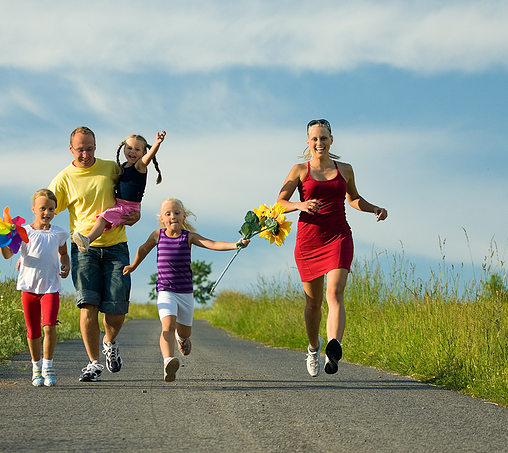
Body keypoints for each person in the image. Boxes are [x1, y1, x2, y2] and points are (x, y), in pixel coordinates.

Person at [275, 119, 388, 377]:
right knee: (313, 304)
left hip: (338, 236)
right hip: (309, 240)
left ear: (331, 140)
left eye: (323, 138)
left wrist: (375, 209)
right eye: (314, 139)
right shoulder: (299, 170)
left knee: (335, 294)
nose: (319, 143)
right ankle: (314, 348)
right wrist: (300, 206)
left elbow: (354, 199)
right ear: (308, 142)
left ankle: (333, 346)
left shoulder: (345, 169)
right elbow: (279, 203)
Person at [48, 126, 140, 382]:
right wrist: (51, 248)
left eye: (90, 149)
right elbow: (46, 212)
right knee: (88, 304)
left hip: (116, 245)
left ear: (95, 147)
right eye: (80, 150)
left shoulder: (111, 168)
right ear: (71, 149)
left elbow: (132, 196)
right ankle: (93, 363)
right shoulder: (63, 179)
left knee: (116, 308)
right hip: (84, 248)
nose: (86, 154)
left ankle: (109, 342)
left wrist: (136, 215)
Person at [123, 198, 249, 382]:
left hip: (185, 293)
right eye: (168, 214)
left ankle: (181, 339)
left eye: (176, 212)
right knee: (167, 325)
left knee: (184, 332)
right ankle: (168, 361)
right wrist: (133, 266)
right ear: (162, 219)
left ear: (183, 217)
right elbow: (143, 249)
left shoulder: (188, 237)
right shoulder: (158, 235)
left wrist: (235, 245)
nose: (172, 216)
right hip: (165, 290)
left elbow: (212, 244)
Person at [0, 189, 70, 387]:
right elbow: (7, 254)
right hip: (29, 288)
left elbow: (63, 254)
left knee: (49, 326)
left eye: (51, 209)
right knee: (33, 330)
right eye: (42, 208)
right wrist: (5, 236)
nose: (46, 212)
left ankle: (48, 366)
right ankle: (36, 367)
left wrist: (66, 264)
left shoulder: (58, 233)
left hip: (50, 287)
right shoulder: (24, 232)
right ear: (33, 209)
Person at [73, 131, 166, 253]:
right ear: (124, 148)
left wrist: (157, 143)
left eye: (137, 149)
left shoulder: (139, 166)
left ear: (144, 153)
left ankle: (87, 240)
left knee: (102, 219)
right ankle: (88, 239)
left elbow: (149, 156)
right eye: (129, 148)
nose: (132, 151)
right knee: (103, 219)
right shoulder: (122, 166)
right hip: (120, 204)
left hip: (127, 207)